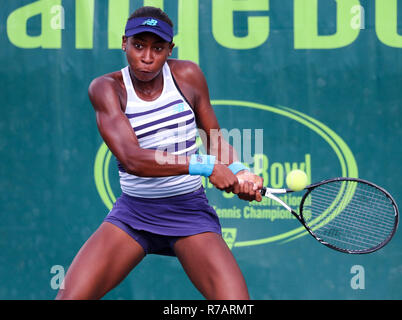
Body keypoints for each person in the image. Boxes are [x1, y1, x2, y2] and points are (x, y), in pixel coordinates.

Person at [56, 6, 263, 300]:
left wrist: (240, 170)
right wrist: (206, 166)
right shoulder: (106, 89)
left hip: (188, 211)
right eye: (139, 46)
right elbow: (132, 159)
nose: (147, 57)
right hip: (134, 214)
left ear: (170, 49)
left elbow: (213, 138)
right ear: (124, 42)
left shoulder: (188, 75)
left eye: (158, 48)